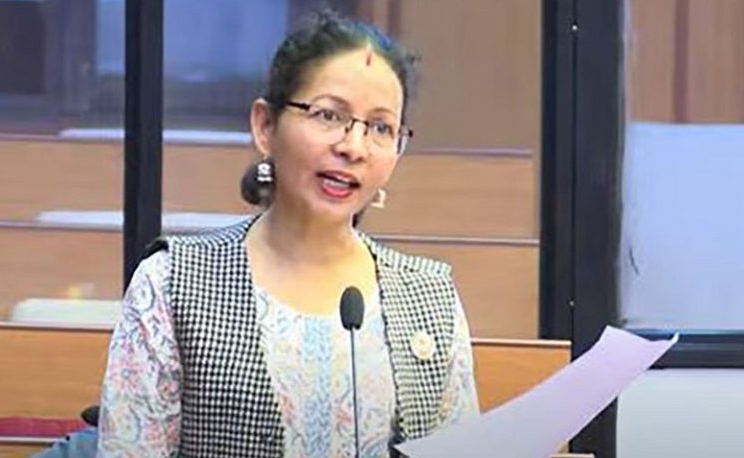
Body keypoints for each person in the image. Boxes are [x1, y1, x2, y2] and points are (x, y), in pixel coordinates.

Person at [97, 9, 478, 458]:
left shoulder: (430, 297)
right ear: (265, 126)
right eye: (328, 115)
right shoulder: (171, 284)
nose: (353, 147)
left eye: (380, 127)